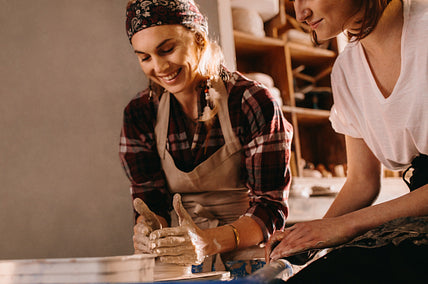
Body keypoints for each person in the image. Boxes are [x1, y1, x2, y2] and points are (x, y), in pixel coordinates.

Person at [119, 0, 293, 273]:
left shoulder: (252, 101)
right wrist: (150, 228)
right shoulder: (141, 114)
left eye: (167, 49)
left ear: (199, 39)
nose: (159, 66)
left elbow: (270, 208)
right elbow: (153, 202)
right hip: (183, 262)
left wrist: (207, 240)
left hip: (250, 255)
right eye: (145, 57)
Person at [266, 0, 428, 282]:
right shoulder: (346, 71)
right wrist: (312, 235)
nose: (300, 13)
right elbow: (362, 183)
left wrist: (344, 226)